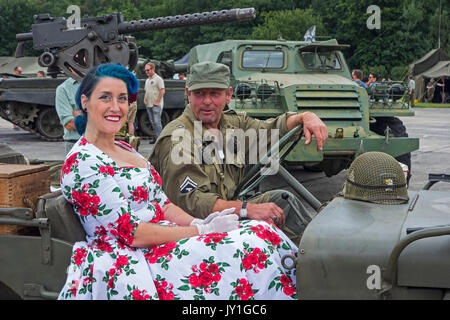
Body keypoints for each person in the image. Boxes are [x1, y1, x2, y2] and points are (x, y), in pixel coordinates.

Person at [58, 63, 299, 300]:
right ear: (85, 101)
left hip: (161, 237)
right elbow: (131, 233)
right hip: (131, 255)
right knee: (247, 247)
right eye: (105, 98)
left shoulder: (124, 149)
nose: (115, 107)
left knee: (261, 230)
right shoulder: (84, 162)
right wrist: (201, 231)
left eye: (122, 99)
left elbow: (164, 205)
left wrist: (201, 221)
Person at [150, 61, 328, 244]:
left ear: (228, 95)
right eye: (199, 93)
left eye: (214, 93)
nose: (207, 101)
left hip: (227, 214)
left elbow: (272, 129)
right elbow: (192, 203)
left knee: (283, 201)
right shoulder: (178, 137)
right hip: (193, 229)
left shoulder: (232, 124)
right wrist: (246, 209)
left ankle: (321, 255)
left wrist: (305, 117)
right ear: (188, 94)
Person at [55, 77, 82, 154]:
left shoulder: (100, 83)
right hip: (75, 145)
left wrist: (79, 115)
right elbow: (69, 124)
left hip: (103, 144)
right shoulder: (64, 88)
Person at [144, 62, 165, 143]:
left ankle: (160, 140)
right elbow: (147, 91)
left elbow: (162, 91)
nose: (146, 72)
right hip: (149, 104)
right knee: (153, 122)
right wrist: (145, 99)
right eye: (145, 70)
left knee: (157, 122)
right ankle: (156, 138)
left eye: (148, 70)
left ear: (153, 69)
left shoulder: (158, 79)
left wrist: (157, 101)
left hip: (156, 105)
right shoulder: (147, 80)